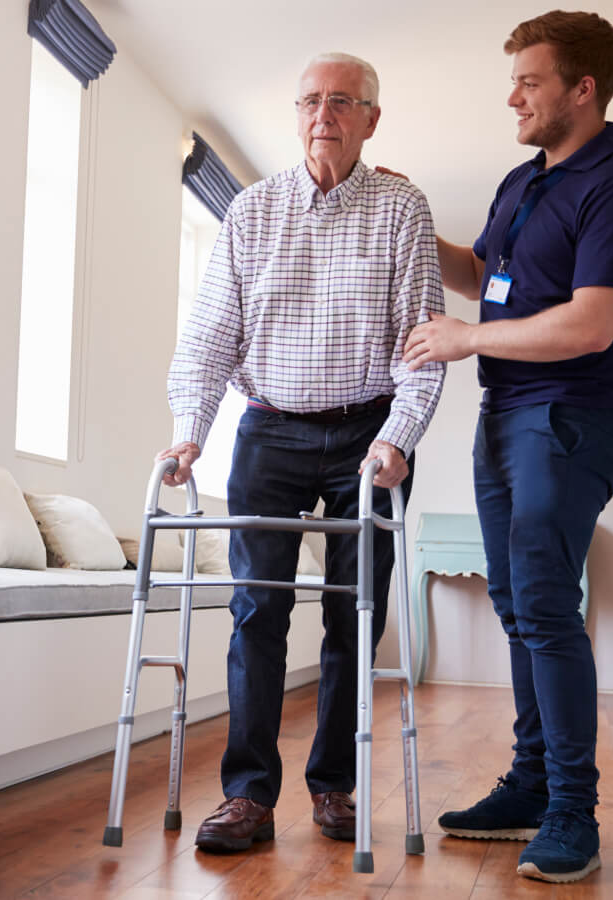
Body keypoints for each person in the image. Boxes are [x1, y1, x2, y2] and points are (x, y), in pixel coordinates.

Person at [158, 52, 445, 853]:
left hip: (368, 431)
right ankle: (248, 797)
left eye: (343, 102)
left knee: (354, 614)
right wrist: (191, 430)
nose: (325, 115)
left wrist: (397, 440)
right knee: (257, 611)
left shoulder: (402, 208)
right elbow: (213, 333)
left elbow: (421, 345)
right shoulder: (251, 210)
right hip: (270, 427)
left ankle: (336, 787)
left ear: (370, 120)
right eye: (312, 101)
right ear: (297, 114)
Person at [401, 10, 613, 884]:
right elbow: (485, 273)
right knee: (518, 606)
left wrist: (466, 340)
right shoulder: (524, 180)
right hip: (505, 417)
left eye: (531, 82)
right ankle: (528, 785)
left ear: (582, 89)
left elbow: (591, 324)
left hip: (569, 420)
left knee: (545, 606)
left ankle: (571, 815)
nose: (512, 96)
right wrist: (410, 220)